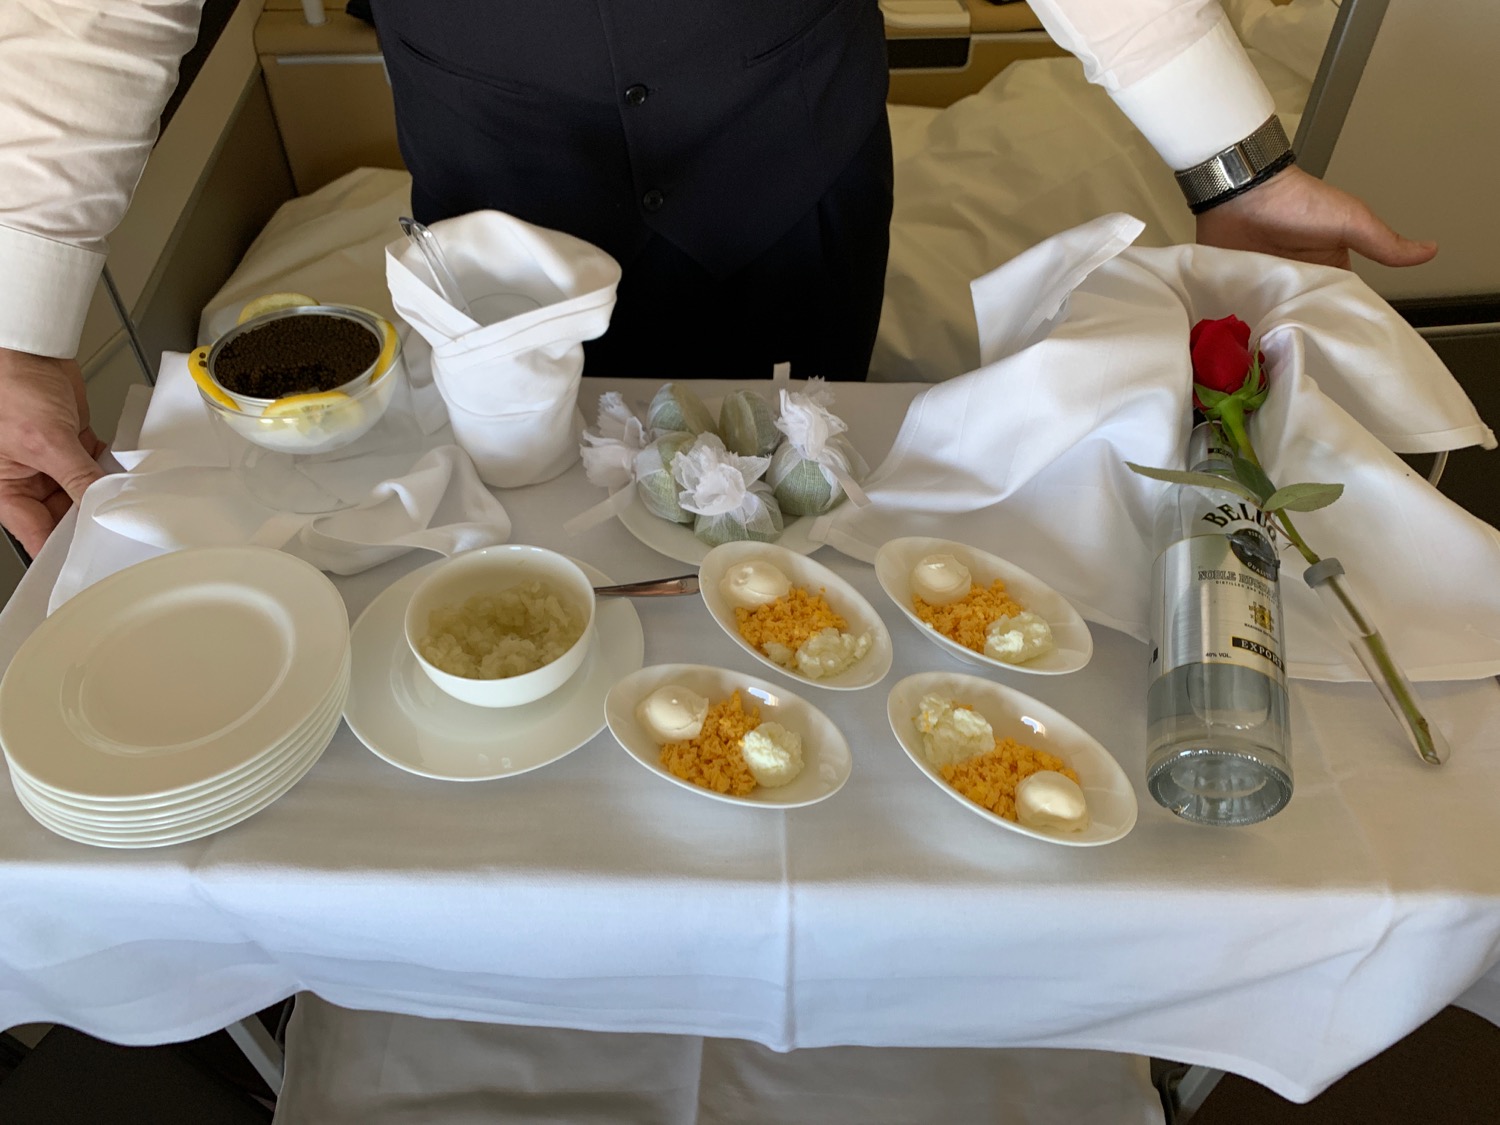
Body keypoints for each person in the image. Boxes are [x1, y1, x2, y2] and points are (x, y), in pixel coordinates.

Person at [0, 0, 1436, 559]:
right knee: (524, 530)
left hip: (788, 173)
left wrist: (1235, 166)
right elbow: (99, 11)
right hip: (500, 197)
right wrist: (15, 324)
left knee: (796, 518)